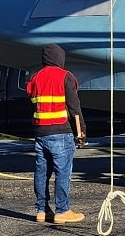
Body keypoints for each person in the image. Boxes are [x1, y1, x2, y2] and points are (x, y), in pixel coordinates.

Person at [28, 44, 87, 226]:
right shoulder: (65, 76)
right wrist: (81, 133)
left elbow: (31, 100)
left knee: (42, 172)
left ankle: (42, 210)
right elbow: (74, 108)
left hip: (40, 132)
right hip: (61, 132)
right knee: (63, 171)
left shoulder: (35, 77)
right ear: (60, 58)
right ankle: (62, 210)